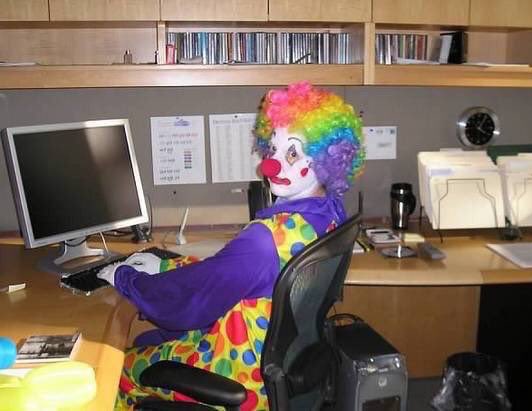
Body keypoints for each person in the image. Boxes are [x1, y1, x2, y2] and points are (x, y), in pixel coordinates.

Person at [97, 81, 365, 410]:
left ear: (326, 161)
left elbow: (189, 300)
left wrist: (126, 278)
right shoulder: (330, 212)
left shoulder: (264, 241)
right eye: (273, 149)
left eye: (293, 153)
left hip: (241, 374)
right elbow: (222, 275)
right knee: (147, 339)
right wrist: (165, 265)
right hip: (279, 368)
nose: (271, 164)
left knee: (118, 369)